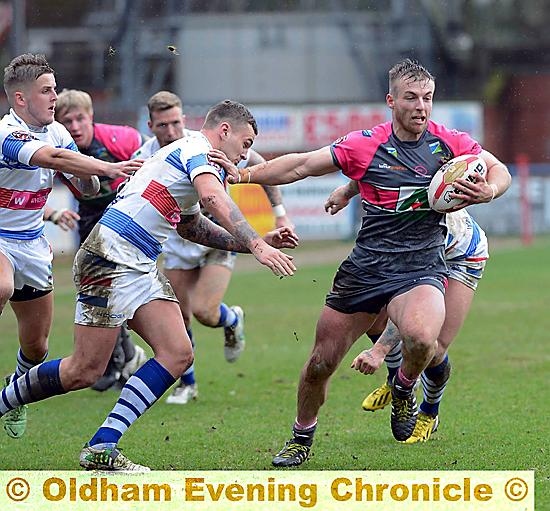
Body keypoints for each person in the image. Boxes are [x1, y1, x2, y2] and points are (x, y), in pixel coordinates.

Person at [212, 58, 511, 467]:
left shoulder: (449, 143)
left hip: (421, 267)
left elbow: (498, 169)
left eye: (427, 98)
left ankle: (403, 388)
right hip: (366, 268)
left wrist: (489, 191)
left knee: (424, 339)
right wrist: (244, 176)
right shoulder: (365, 144)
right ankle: (301, 438)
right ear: (391, 101)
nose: (420, 106)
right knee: (320, 363)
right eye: (410, 97)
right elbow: (302, 164)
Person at [0, 99, 298, 471]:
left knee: (178, 352)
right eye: (246, 142)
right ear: (224, 131)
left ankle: (102, 446)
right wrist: (254, 243)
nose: (245, 153)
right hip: (109, 257)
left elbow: (192, 226)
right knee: (84, 370)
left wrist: (257, 244)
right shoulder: (198, 150)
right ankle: (5, 401)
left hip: (137, 263)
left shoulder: (187, 153)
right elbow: (211, 197)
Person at [0, 53, 141, 439]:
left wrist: (91, 181)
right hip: (0, 241)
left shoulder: (58, 132)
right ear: (20, 99)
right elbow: (55, 158)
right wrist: (108, 167)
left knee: (37, 348)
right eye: (47, 91)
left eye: (55, 88)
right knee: (1, 286)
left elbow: (77, 176)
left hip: (32, 246)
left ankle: (15, 394)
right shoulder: (7, 134)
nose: (55, 97)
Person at [134, 91, 294, 404]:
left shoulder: (210, 146)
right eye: (163, 125)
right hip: (182, 238)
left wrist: (279, 215)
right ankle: (187, 384)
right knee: (179, 316)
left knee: (205, 312)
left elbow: (263, 168)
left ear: (184, 119)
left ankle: (231, 320)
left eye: (176, 122)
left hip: (220, 233)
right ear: (151, 126)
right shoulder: (148, 155)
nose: (171, 131)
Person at [325, 179, 490, 443]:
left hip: (462, 256)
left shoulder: (420, 231)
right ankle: (395, 380)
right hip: (419, 257)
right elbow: (370, 167)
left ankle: (429, 413)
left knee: (432, 347)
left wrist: (378, 351)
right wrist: (346, 191)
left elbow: (413, 315)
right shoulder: (390, 208)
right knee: (374, 313)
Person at [55, 89, 148, 392]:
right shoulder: (62, 151)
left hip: (124, 219)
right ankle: (122, 358)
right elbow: (85, 192)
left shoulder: (119, 139)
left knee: (119, 291)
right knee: (95, 291)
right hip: (90, 218)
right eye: (67, 121)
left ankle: (120, 359)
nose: (75, 126)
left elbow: (143, 155)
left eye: (80, 118)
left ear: (91, 116)